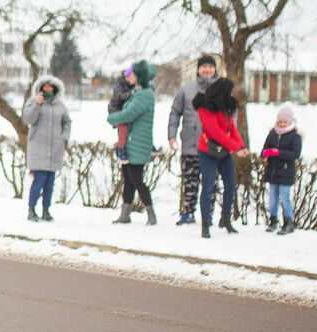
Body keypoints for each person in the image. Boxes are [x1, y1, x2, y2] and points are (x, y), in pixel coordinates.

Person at [192, 78, 250, 238]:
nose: (231, 94)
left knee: (231, 185)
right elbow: (216, 133)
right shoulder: (205, 108)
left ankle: (226, 219)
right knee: (208, 187)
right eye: (229, 91)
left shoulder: (225, 107)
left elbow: (232, 130)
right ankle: (205, 224)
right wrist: (236, 147)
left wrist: (242, 146)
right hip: (208, 152)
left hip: (224, 152)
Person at [167, 55, 218, 224]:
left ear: (215, 69)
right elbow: (175, 112)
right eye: (204, 67)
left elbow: (230, 116)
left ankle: (208, 215)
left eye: (211, 67)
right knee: (190, 181)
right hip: (191, 144)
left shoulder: (221, 90)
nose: (207, 70)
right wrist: (172, 134)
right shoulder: (186, 89)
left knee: (210, 183)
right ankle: (187, 213)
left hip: (212, 146)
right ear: (198, 69)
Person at [107, 60, 158, 225]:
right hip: (130, 142)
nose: (128, 76)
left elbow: (128, 114)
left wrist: (111, 118)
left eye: (132, 74)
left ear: (139, 77)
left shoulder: (144, 95)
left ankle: (151, 214)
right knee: (128, 179)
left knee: (136, 179)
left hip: (137, 142)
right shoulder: (139, 93)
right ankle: (125, 214)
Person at [23, 74, 72, 221]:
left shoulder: (60, 105)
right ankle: (31, 209)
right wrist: (37, 105)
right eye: (45, 86)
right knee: (39, 180)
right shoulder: (33, 102)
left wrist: (64, 137)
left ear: (55, 89)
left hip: (55, 148)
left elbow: (67, 122)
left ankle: (46, 210)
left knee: (50, 181)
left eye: (50, 87)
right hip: (38, 147)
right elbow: (28, 119)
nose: (47, 89)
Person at [262, 103, 303, 235]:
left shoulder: (295, 136)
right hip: (273, 171)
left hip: (286, 172)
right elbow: (264, 149)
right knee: (273, 198)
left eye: (285, 122)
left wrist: (278, 153)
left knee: (285, 197)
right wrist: (266, 153)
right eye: (280, 121)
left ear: (290, 122)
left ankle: (288, 222)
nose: (283, 124)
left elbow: (295, 154)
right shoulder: (272, 133)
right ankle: (273, 221)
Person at [107, 67, 136, 163]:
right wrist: (133, 92)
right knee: (123, 127)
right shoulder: (120, 84)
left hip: (125, 111)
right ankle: (121, 150)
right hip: (116, 110)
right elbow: (120, 96)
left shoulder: (132, 84)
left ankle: (124, 146)